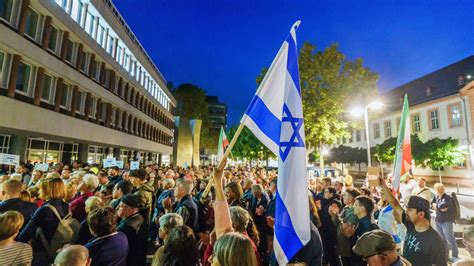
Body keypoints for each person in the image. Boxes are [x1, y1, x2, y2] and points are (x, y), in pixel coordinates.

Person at [379, 176, 447, 266]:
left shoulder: (435, 241)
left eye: (410, 210)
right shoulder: (411, 225)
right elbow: (395, 204)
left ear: (421, 214)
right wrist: (383, 185)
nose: (406, 212)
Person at [19, 178, 70, 264]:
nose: (39, 191)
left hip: (42, 250)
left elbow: (28, 231)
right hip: (59, 247)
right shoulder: (65, 205)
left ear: (47, 190)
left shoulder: (45, 208)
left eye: (41, 188)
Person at [329, 188, 360, 266]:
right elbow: (338, 224)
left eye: (345, 195)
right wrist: (334, 214)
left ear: (352, 198)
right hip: (341, 242)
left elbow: (346, 228)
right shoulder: (346, 207)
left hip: (347, 245)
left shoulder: (354, 211)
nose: (343, 196)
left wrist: (336, 215)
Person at [117, 194, 147, 266]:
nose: (118, 207)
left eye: (121, 206)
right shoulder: (141, 217)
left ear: (130, 210)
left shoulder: (126, 227)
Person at [432, 183, 459, 262]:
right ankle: (445, 255)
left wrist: (437, 207)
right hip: (438, 221)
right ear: (436, 190)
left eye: (442, 189)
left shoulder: (447, 197)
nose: (440, 191)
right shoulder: (436, 196)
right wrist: (437, 207)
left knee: (450, 239)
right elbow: (431, 205)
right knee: (442, 239)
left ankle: (455, 256)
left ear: (444, 189)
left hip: (446, 221)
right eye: (438, 189)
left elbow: (444, 206)